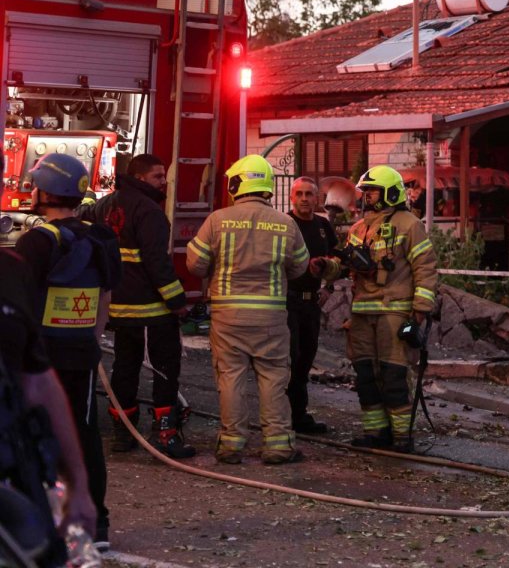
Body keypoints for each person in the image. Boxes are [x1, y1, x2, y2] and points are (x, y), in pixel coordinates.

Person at [15, 153, 120, 551]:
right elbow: (106, 295)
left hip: (41, 357)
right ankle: (96, 526)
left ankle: (37, 523)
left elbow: (19, 301)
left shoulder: (37, 242)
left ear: (43, 190)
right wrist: (92, 337)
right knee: (84, 436)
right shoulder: (100, 238)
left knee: (32, 435)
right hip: (81, 352)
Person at [0, 153, 96, 563]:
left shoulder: (16, 264)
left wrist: (77, 488)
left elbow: (37, 380)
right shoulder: (95, 236)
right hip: (81, 347)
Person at [186, 155, 309, 465]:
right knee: (273, 378)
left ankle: (231, 445)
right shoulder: (286, 223)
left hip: (228, 318)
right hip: (271, 318)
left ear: (236, 183)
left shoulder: (217, 220)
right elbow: (299, 267)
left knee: (231, 378)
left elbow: (195, 264)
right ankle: (279, 445)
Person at [87, 153, 195, 459]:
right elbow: (157, 263)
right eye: (158, 177)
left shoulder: (108, 205)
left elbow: (82, 215)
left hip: (119, 309)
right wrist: (177, 302)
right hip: (152, 312)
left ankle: (123, 432)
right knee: (164, 371)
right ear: (140, 178)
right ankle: (165, 433)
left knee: (124, 370)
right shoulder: (150, 212)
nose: (164, 183)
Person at [340, 166, 438, 453]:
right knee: (365, 375)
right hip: (361, 313)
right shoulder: (360, 227)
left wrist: (419, 311)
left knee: (393, 375)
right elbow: (347, 266)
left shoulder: (409, 224)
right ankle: (376, 433)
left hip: (394, 311)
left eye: (372, 191)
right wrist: (329, 266)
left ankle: (401, 437)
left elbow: (426, 269)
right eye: (365, 192)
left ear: (390, 193)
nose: (367, 197)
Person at [286, 177, 341, 434]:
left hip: (311, 303)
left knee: (306, 358)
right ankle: (282, 416)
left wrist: (328, 288)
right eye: (300, 194)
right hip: (287, 302)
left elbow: (337, 260)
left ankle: (299, 415)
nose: (304, 199)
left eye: (309, 194)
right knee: (290, 358)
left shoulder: (322, 226)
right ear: (291, 197)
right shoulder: (285, 224)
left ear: (317, 199)